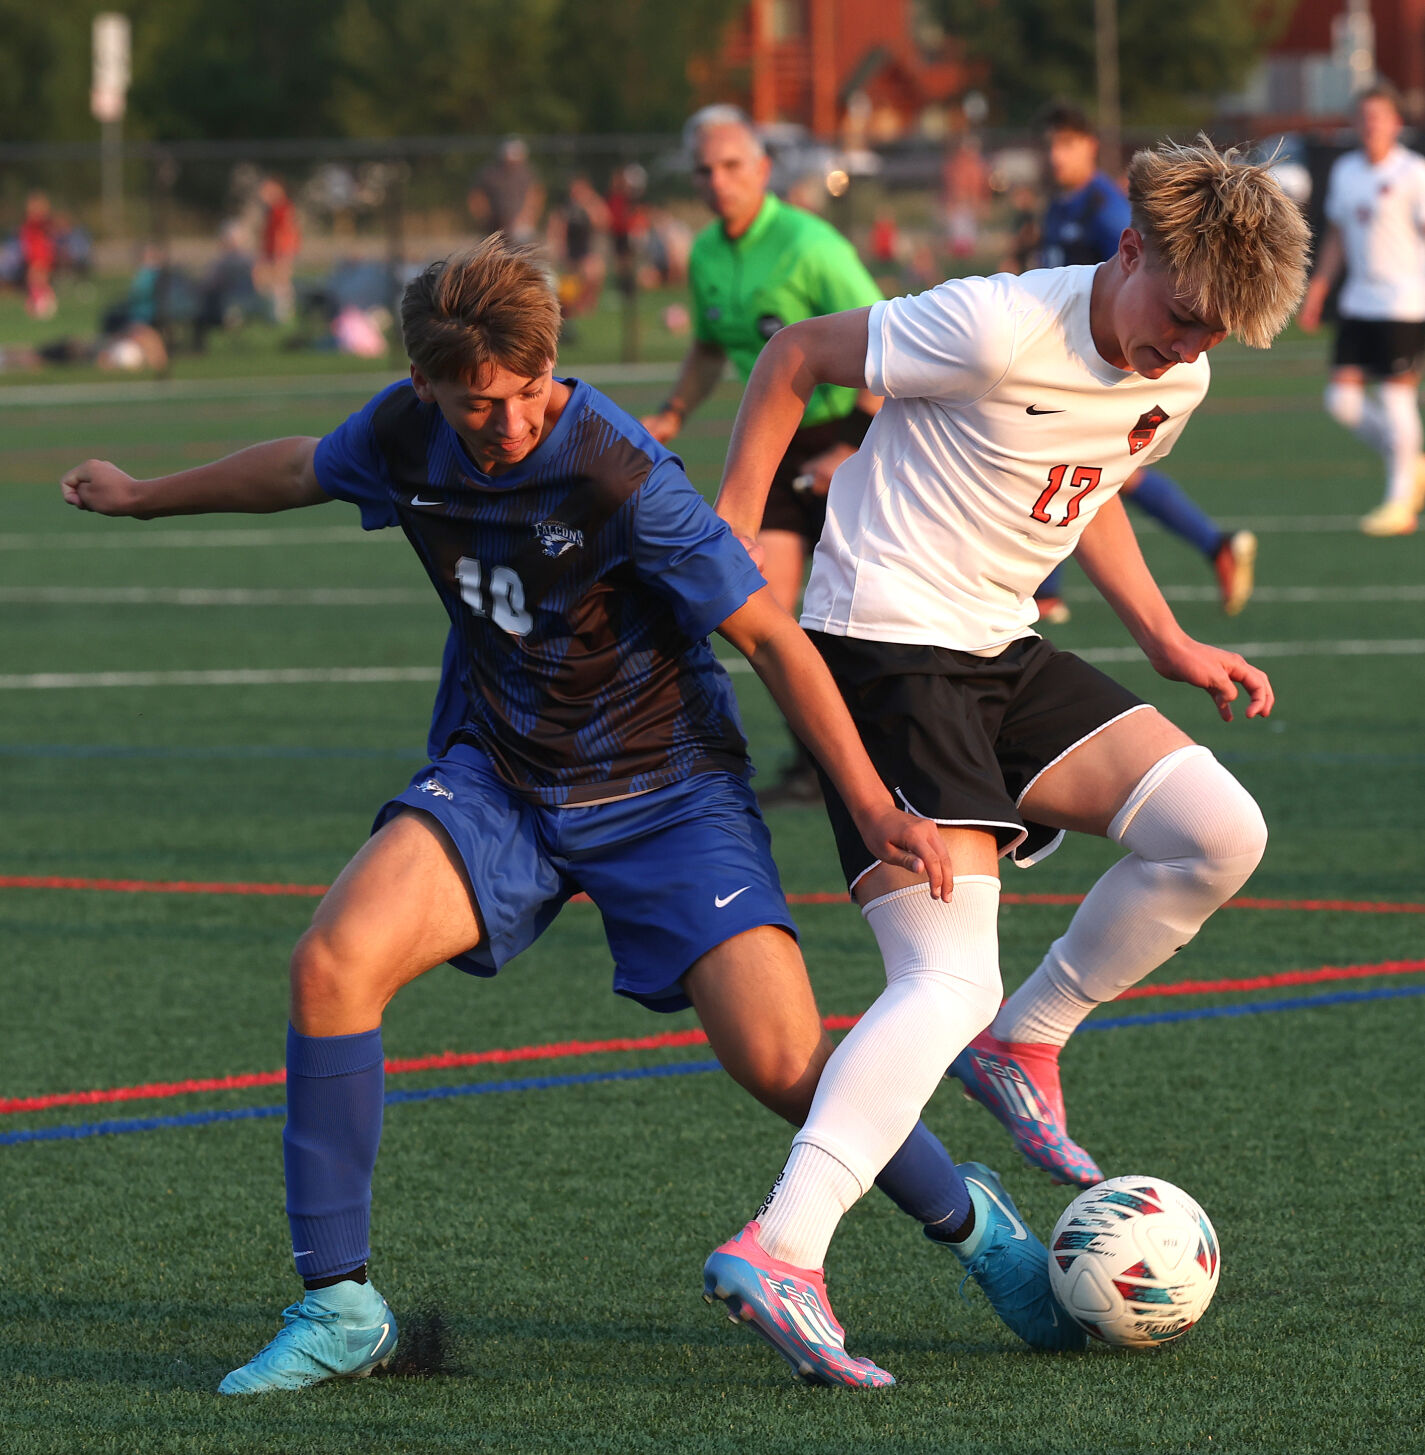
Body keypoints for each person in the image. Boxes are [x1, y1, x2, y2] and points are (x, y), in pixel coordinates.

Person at [60, 236, 1070, 1396]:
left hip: (667, 791)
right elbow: (298, 468)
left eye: (531, 391)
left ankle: (978, 1231)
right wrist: (142, 500)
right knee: (332, 963)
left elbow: (772, 639)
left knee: (788, 1062)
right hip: (501, 778)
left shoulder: (619, 473)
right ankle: (341, 1304)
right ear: (427, 385)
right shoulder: (404, 435)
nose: (512, 421)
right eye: (481, 403)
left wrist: (871, 802)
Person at [705, 138, 1309, 1385]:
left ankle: (1024, 1044)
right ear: (1129, 250)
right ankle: (785, 1246)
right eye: (1179, 319)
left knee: (1217, 833)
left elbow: (1087, 490)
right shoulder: (992, 324)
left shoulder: (1175, 379)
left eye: (1210, 341)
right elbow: (796, 356)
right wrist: (731, 534)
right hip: (881, 647)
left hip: (998, 649)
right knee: (941, 979)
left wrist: (1166, 639)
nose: (1182, 352)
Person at [642, 107, 884, 806]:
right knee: (765, 613)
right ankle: (821, 764)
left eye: (730, 166)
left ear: (763, 170)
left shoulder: (812, 245)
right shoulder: (710, 252)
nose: (716, 181)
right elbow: (710, 347)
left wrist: (853, 446)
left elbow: (888, 341)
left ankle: (899, 753)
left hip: (855, 437)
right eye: (703, 170)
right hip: (774, 445)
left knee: (872, 616)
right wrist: (673, 412)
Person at [1028, 105, 1258, 623]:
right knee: (1084, 468)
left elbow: (1141, 283)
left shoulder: (1107, 210)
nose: (1054, 155)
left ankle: (1050, 588)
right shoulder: (1061, 205)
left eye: (1065, 144)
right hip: (1063, 355)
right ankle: (1049, 590)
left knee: (1093, 470)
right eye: (1049, 145)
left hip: (1107, 361)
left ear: (1089, 145)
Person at [1299, 82, 1425, 536]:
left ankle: (1400, 504)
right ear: (1355, 123)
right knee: (1342, 401)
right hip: (1357, 303)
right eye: (1365, 117)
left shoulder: (1414, 173)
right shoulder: (1347, 172)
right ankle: (1411, 462)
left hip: (1404, 303)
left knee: (1395, 397)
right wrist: (1318, 291)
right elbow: (1336, 237)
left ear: (1396, 123)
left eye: (1380, 116)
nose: (1372, 124)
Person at [468, 136, 545, 244]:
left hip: (521, 224)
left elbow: (536, 195)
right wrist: (484, 218)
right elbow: (476, 196)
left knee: (522, 246)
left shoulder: (527, 174)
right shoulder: (491, 173)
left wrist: (527, 217)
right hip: (495, 224)